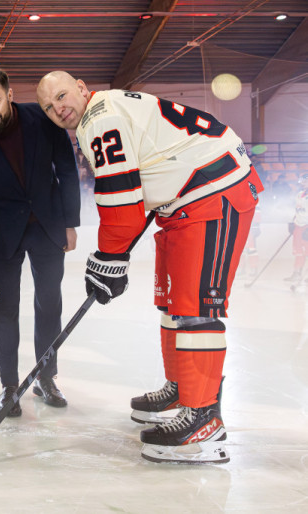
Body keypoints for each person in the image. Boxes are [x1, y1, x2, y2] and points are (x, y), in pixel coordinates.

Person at [37, 71, 263, 464]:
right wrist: (112, 258)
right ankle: (183, 388)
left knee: (197, 312)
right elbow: (136, 189)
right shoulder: (107, 109)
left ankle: (204, 418)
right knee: (174, 305)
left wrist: (109, 257)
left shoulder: (99, 119)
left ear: (81, 87)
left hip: (211, 196)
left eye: (61, 95)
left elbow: (121, 201)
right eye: (48, 106)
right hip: (183, 204)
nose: (58, 108)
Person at [0, 65, 81, 417]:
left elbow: (67, 169)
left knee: (49, 303)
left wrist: (71, 224)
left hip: (47, 226)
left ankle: (47, 377)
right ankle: (9, 385)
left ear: (10, 95)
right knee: (5, 309)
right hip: (4, 235)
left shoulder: (43, 119)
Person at [285, 173, 308, 282]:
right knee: (298, 251)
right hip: (298, 226)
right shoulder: (299, 194)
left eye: (305, 181)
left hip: (306, 226)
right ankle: (296, 273)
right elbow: (297, 210)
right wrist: (293, 222)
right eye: (302, 181)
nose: (303, 184)